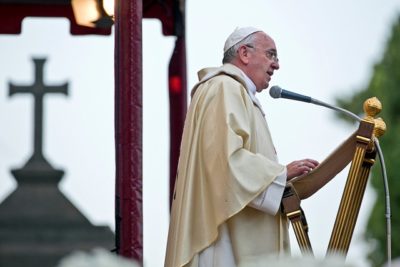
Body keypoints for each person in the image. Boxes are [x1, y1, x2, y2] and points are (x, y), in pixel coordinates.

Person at [164, 27, 319, 267]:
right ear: (244, 54)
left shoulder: (236, 91)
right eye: (271, 55)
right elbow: (224, 161)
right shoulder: (225, 87)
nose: (276, 65)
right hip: (222, 241)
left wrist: (281, 181)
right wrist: (280, 174)